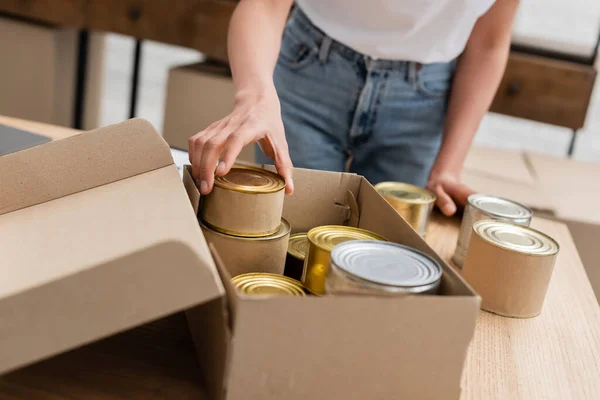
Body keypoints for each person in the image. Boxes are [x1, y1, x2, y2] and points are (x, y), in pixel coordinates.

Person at [188, 0, 519, 216]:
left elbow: (489, 42)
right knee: (288, 233)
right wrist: (254, 97)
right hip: (310, 69)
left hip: (422, 103)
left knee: (387, 256)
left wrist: (449, 168)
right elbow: (266, 4)